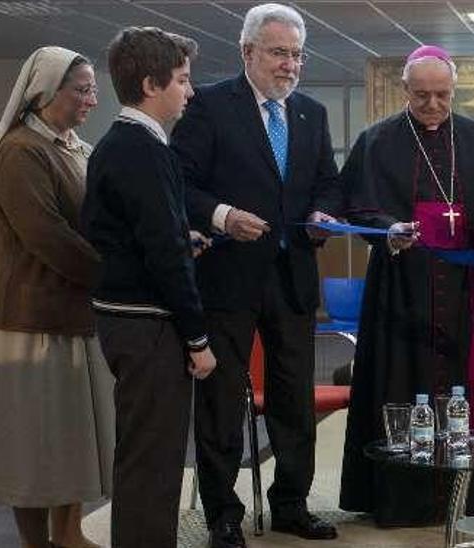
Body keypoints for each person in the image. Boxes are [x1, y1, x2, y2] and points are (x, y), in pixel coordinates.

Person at [169, 4, 342, 544]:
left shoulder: (311, 112)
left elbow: (327, 184)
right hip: (227, 280)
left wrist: (321, 215)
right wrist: (222, 216)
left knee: (294, 399)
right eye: (278, 52)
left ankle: (291, 503)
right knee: (223, 402)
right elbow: (182, 185)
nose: (289, 65)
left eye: (296, 54)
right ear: (248, 52)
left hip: (292, 280)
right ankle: (223, 512)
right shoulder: (209, 107)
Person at [338, 44, 474, 526]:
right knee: (400, 385)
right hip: (401, 285)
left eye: (442, 95)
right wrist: (389, 228)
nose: (433, 105)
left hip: (463, 288)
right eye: (422, 96)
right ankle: (402, 499)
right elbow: (355, 207)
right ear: (405, 90)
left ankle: (468, 497)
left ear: (454, 90)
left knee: (463, 386)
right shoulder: (377, 140)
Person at [81, 26, 216, 547]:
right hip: (147, 325)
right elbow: (163, 257)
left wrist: (181, 236)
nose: (190, 90)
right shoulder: (144, 149)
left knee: (144, 452)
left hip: (124, 319)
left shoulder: (120, 144)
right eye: (182, 80)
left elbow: (119, 229)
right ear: (150, 84)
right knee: (153, 460)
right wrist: (199, 340)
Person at [0, 46, 112, 548]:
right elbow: (47, 237)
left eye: (92, 88)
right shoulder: (21, 151)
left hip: (75, 313)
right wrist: (116, 273)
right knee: (34, 445)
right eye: (81, 89)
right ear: (44, 93)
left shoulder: (74, 147)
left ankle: (68, 532)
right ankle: (35, 541)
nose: (92, 98)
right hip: (32, 320)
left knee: (71, 440)